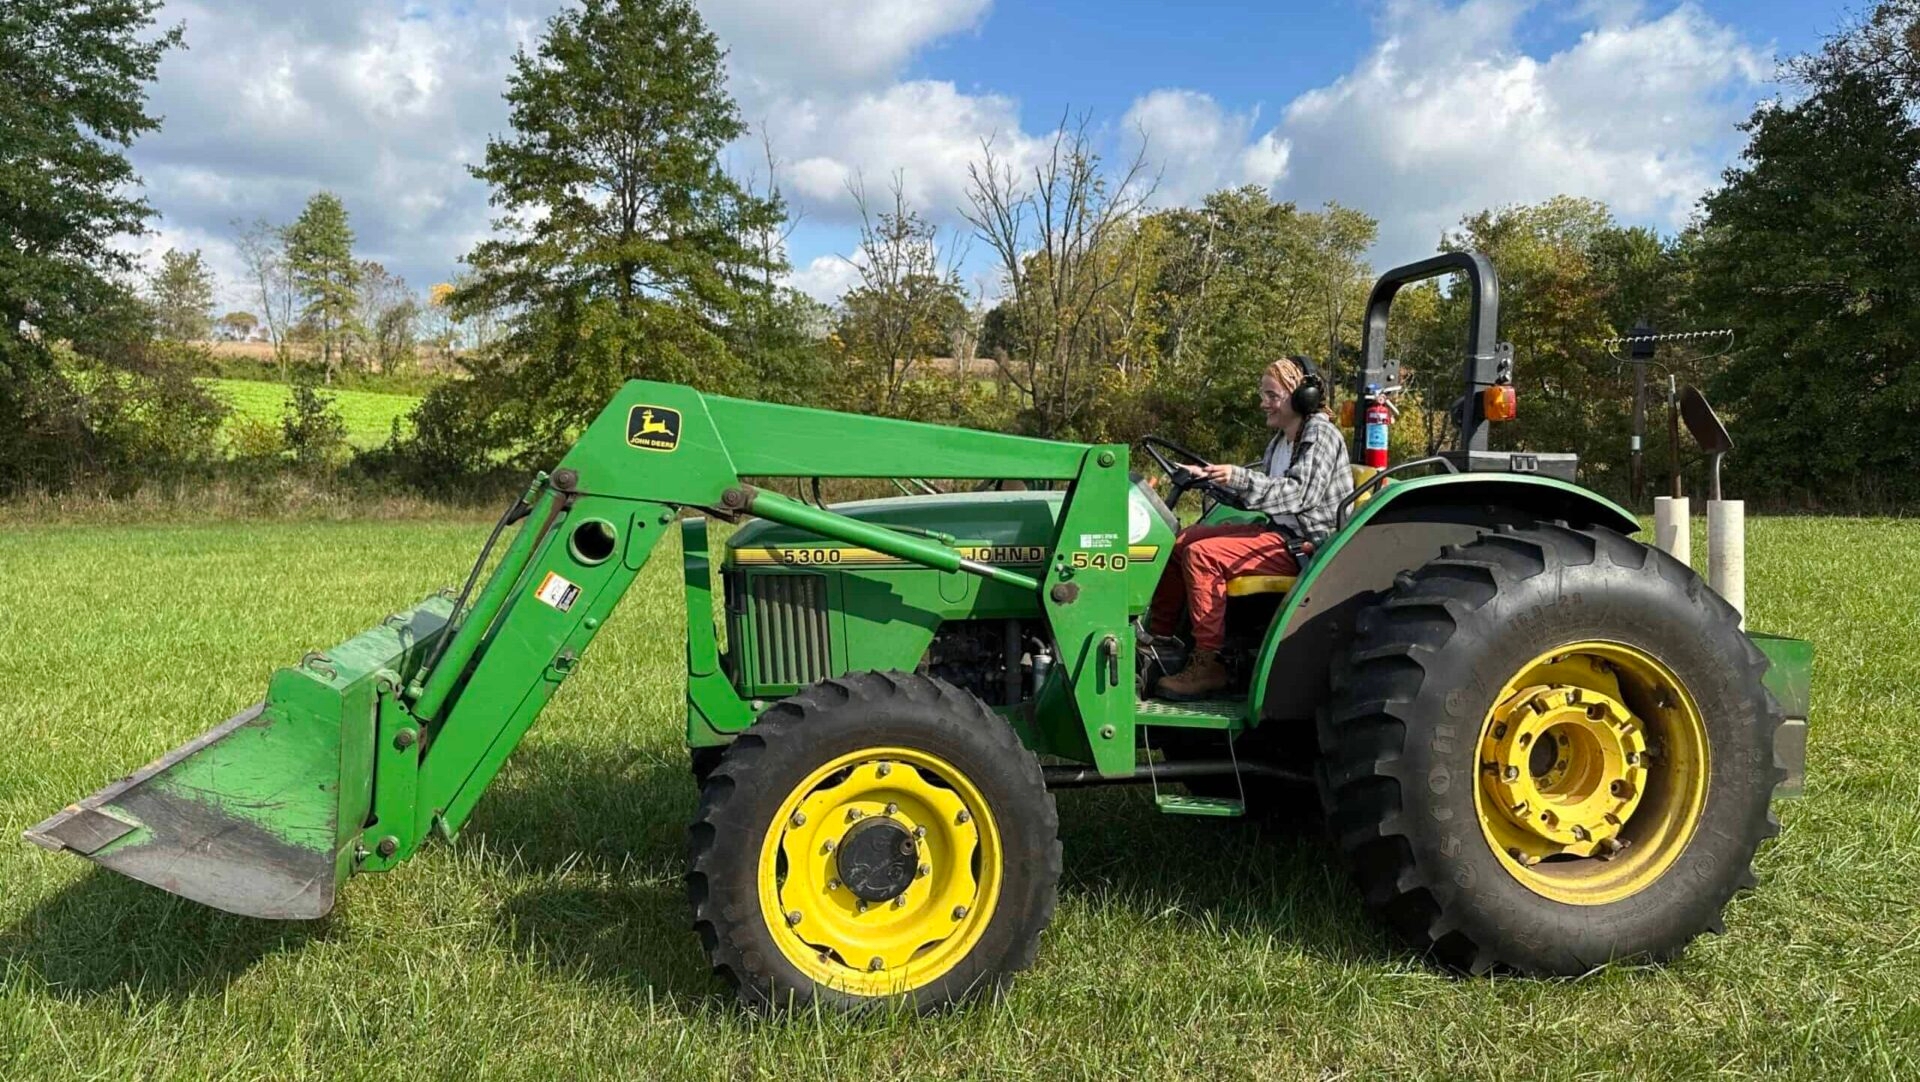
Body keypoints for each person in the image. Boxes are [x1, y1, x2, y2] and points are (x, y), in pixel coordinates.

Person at [1146, 356, 1355, 700]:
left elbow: (1299, 495)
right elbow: (1258, 498)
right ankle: (1161, 641)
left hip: (1308, 545)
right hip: (1279, 533)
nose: (1264, 403)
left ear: (1300, 396)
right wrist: (1209, 478)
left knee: (1202, 555)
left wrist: (1239, 476)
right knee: (1182, 540)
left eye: (1272, 395)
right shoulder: (1281, 440)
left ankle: (1208, 662)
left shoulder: (1321, 435)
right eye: (1264, 395)